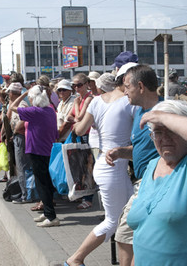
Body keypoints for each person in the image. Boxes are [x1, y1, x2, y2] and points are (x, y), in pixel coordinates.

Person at [125, 100, 187, 266]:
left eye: (171, 130)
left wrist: (159, 116)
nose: (164, 138)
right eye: (158, 132)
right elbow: (143, 232)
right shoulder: (153, 165)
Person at [65, 69, 135, 266]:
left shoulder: (96, 101)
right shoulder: (128, 102)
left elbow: (79, 129)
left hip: (105, 163)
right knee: (114, 221)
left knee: (130, 218)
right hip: (114, 165)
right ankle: (75, 259)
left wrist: (87, 116)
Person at [105, 64, 162, 265]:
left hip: (155, 187)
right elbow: (143, 150)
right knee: (125, 236)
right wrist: (122, 152)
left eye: (127, 86)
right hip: (141, 184)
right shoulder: (139, 112)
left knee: (128, 235)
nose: (124, 90)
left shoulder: (164, 113)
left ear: (140, 86)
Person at [10, 85, 59, 227]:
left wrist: (23, 94)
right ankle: (48, 211)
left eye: (30, 98)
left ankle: (51, 216)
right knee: (45, 183)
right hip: (46, 149)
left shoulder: (35, 111)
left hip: (38, 150)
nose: (29, 100)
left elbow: (12, 106)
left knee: (42, 184)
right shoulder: (50, 110)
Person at [67, 72, 95, 210]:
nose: (76, 88)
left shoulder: (88, 99)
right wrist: (75, 114)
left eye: (79, 85)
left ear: (86, 85)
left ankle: (88, 197)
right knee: (78, 166)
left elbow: (78, 117)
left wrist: (77, 105)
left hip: (86, 135)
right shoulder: (78, 99)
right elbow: (68, 117)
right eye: (74, 85)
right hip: (77, 134)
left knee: (87, 166)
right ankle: (82, 192)